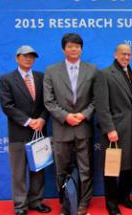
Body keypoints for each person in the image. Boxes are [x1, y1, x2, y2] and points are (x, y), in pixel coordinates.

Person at [43, 33, 96, 215]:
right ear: (63, 49)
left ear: (82, 49)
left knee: (86, 169)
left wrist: (83, 114)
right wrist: (66, 116)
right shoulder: (51, 71)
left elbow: (97, 99)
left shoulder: (92, 70)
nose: (74, 49)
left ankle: (83, 203)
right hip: (61, 127)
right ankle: (66, 204)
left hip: (83, 126)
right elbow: (48, 101)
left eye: (77, 46)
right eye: (70, 46)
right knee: (61, 170)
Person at [0, 45, 51, 215]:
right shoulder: (6, 79)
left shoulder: (41, 77)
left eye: (32, 56)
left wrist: (42, 119)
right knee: (19, 172)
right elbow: (7, 106)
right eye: (24, 56)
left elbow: (47, 103)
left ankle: (36, 201)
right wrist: (29, 121)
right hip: (18, 133)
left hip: (38, 133)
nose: (28, 59)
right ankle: (20, 206)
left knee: (38, 170)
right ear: (17, 58)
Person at [95, 44, 132, 215]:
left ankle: (124, 197)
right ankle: (111, 203)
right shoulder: (105, 74)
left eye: (129, 54)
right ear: (115, 54)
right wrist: (109, 128)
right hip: (115, 129)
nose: (126, 57)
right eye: (123, 54)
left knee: (130, 165)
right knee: (112, 168)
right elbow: (101, 105)